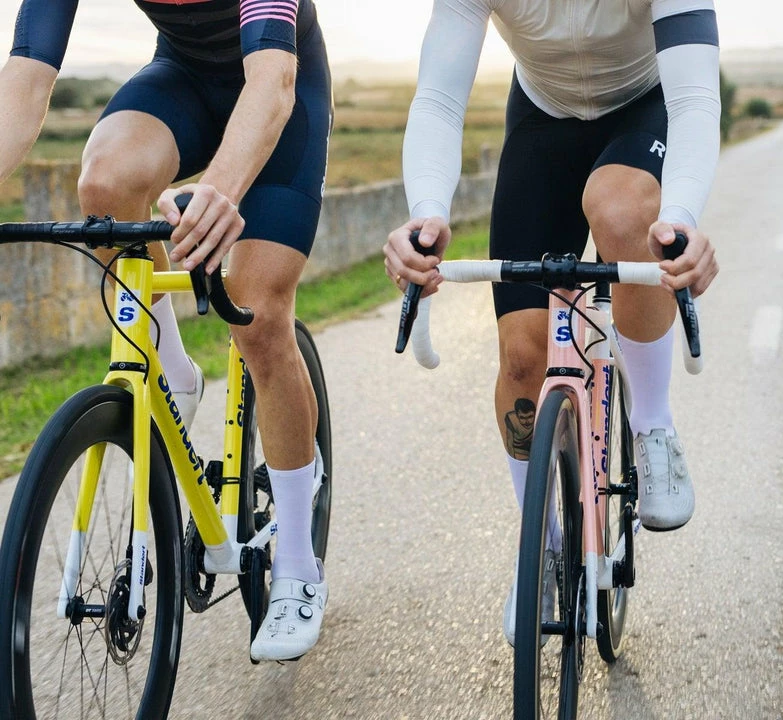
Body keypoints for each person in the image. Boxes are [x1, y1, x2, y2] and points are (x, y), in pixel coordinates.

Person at [1, 0, 333, 658]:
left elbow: (272, 80)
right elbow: (26, 78)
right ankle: (172, 371)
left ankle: (298, 564)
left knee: (257, 313)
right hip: (184, 80)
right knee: (105, 185)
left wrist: (220, 190)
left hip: (279, 91)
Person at [383, 0, 721, 644]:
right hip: (542, 117)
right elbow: (439, 100)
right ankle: (543, 547)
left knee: (619, 210)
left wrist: (678, 219)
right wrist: (425, 212)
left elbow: (696, 99)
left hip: (645, 107)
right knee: (521, 359)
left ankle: (652, 424)